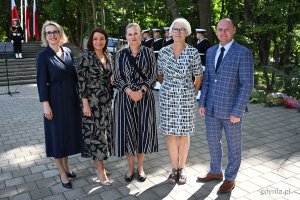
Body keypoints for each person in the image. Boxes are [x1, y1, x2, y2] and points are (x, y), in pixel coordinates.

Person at [197, 18, 254, 194]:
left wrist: (238, 111)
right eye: (220, 29)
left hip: (232, 111)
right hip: (211, 108)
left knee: (234, 146)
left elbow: (247, 84)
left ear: (234, 30)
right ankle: (215, 171)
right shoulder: (212, 51)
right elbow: (207, 80)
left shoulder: (243, 53)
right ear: (216, 31)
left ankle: (230, 178)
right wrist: (202, 102)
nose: (223, 33)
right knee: (213, 142)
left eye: (226, 29)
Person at [36, 21, 82, 189]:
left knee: (67, 137)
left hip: (71, 102)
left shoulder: (68, 51)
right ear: (45, 36)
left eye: (55, 32)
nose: (52, 35)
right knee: (57, 138)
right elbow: (41, 83)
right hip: (54, 102)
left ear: (60, 33)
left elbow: (75, 77)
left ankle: (67, 167)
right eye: (49, 33)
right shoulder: (43, 56)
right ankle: (62, 173)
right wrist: (45, 104)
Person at [157, 18, 203, 185]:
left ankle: (182, 169)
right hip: (167, 97)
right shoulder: (163, 52)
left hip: (186, 97)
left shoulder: (193, 52)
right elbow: (160, 75)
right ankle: (174, 168)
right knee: (170, 134)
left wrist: (190, 92)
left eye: (182, 29)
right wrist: (171, 87)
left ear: (187, 32)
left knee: (184, 134)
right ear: (170, 32)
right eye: (175, 29)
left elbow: (198, 77)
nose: (178, 32)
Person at [113, 22, 158, 183]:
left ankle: (140, 167)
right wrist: (130, 91)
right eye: (130, 34)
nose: (133, 37)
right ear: (126, 36)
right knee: (127, 134)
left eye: (136, 33)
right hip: (125, 98)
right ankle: (130, 167)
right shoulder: (120, 54)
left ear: (141, 35)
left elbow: (153, 75)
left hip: (144, 99)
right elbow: (117, 77)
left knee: (141, 133)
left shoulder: (148, 52)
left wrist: (142, 91)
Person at [76, 28, 114, 186]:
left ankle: (96, 162)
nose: (99, 42)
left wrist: (112, 79)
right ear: (91, 41)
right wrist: (85, 103)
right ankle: (101, 171)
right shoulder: (86, 57)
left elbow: (110, 76)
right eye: (96, 39)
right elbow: (81, 82)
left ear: (106, 40)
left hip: (106, 102)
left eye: (102, 39)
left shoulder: (109, 56)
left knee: (102, 133)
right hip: (92, 104)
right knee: (98, 137)